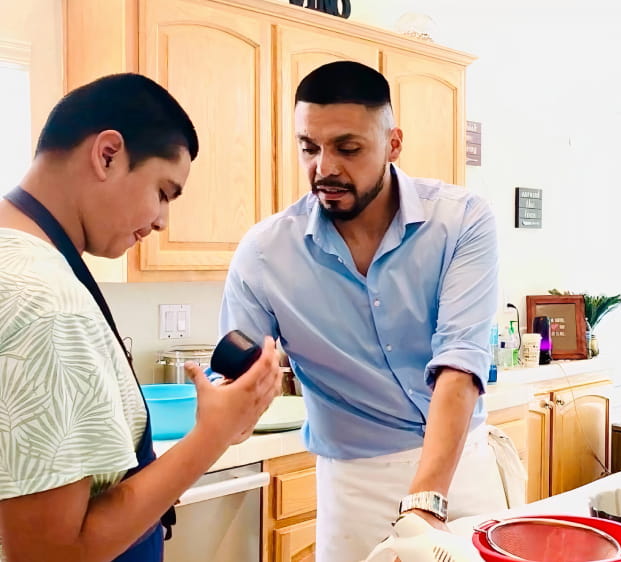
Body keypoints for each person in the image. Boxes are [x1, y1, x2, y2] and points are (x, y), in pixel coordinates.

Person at [219, 61, 509, 561]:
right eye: (309, 148)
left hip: (462, 468)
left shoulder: (461, 220)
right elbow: (238, 384)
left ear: (393, 143)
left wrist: (424, 505)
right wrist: (233, 407)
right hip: (354, 485)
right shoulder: (265, 255)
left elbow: (460, 364)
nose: (325, 168)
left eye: (348, 149)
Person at [0, 73, 281, 561]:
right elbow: (52, 553)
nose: (162, 221)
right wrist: (213, 434)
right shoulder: (50, 306)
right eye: (164, 192)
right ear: (107, 154)